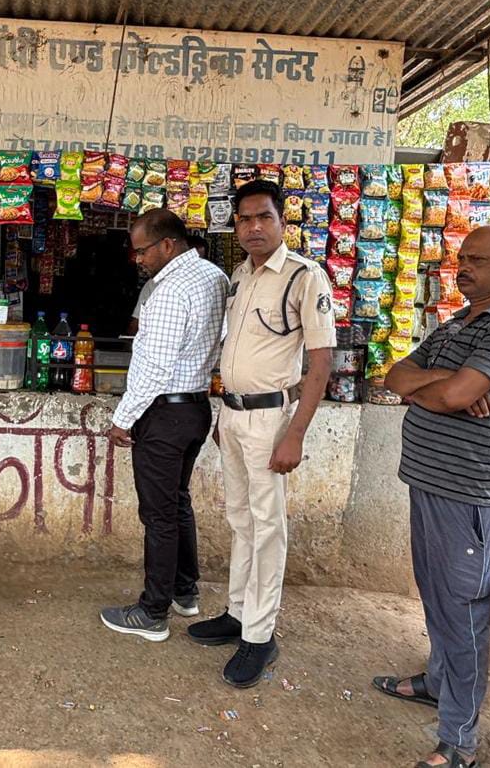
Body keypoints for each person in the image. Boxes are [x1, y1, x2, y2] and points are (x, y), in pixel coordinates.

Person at [373, 223, 490, 768]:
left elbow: (454, 395)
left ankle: (459, 739)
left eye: (477, 260)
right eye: (461, 258)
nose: (462, 268)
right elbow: (394, 376)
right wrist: (444, 382)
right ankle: (436, 682)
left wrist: (445, 387)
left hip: (467, 490)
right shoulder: (456, 323)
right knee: (434, 593)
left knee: (463, 608)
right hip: (429, 481)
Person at [187, 179, 334, 687]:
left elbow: (321, 362)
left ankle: (260, 635)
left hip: (272, 419)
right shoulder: (241, 275)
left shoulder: (303, 277)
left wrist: (296, 434)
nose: (253, 227)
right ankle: (238, 612)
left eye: (263, 217)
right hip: (233, 414)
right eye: (245, 219)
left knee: (268, 526)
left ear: (282, 221)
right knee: (241, 519)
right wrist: (223, 416)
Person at [101, 210, 228, 642]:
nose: (138, 260)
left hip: (164, 413)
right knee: (177, 503)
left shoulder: (170, 290)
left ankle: (152, 612)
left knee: (158, 515)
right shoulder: (214, 276)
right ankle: (184, 591)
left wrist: (123, 418)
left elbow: (154, 367)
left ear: (167, 245)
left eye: (142, 251)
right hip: (195, 407)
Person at [127, 234, 209, 335]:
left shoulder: (212, 284)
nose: (193, 265)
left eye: (198, 260)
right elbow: (136, 323)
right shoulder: (154, 284)